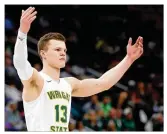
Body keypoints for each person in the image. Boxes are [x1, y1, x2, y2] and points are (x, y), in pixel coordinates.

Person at [13, 7, 143, 132]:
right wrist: (22, 33)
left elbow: (104, 83)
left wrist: (129, 59)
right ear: (43, 54)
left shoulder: (69, 83)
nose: (63, 53)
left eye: (64, 50)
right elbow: (19, 63)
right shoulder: (37, 80)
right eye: (57, 50)